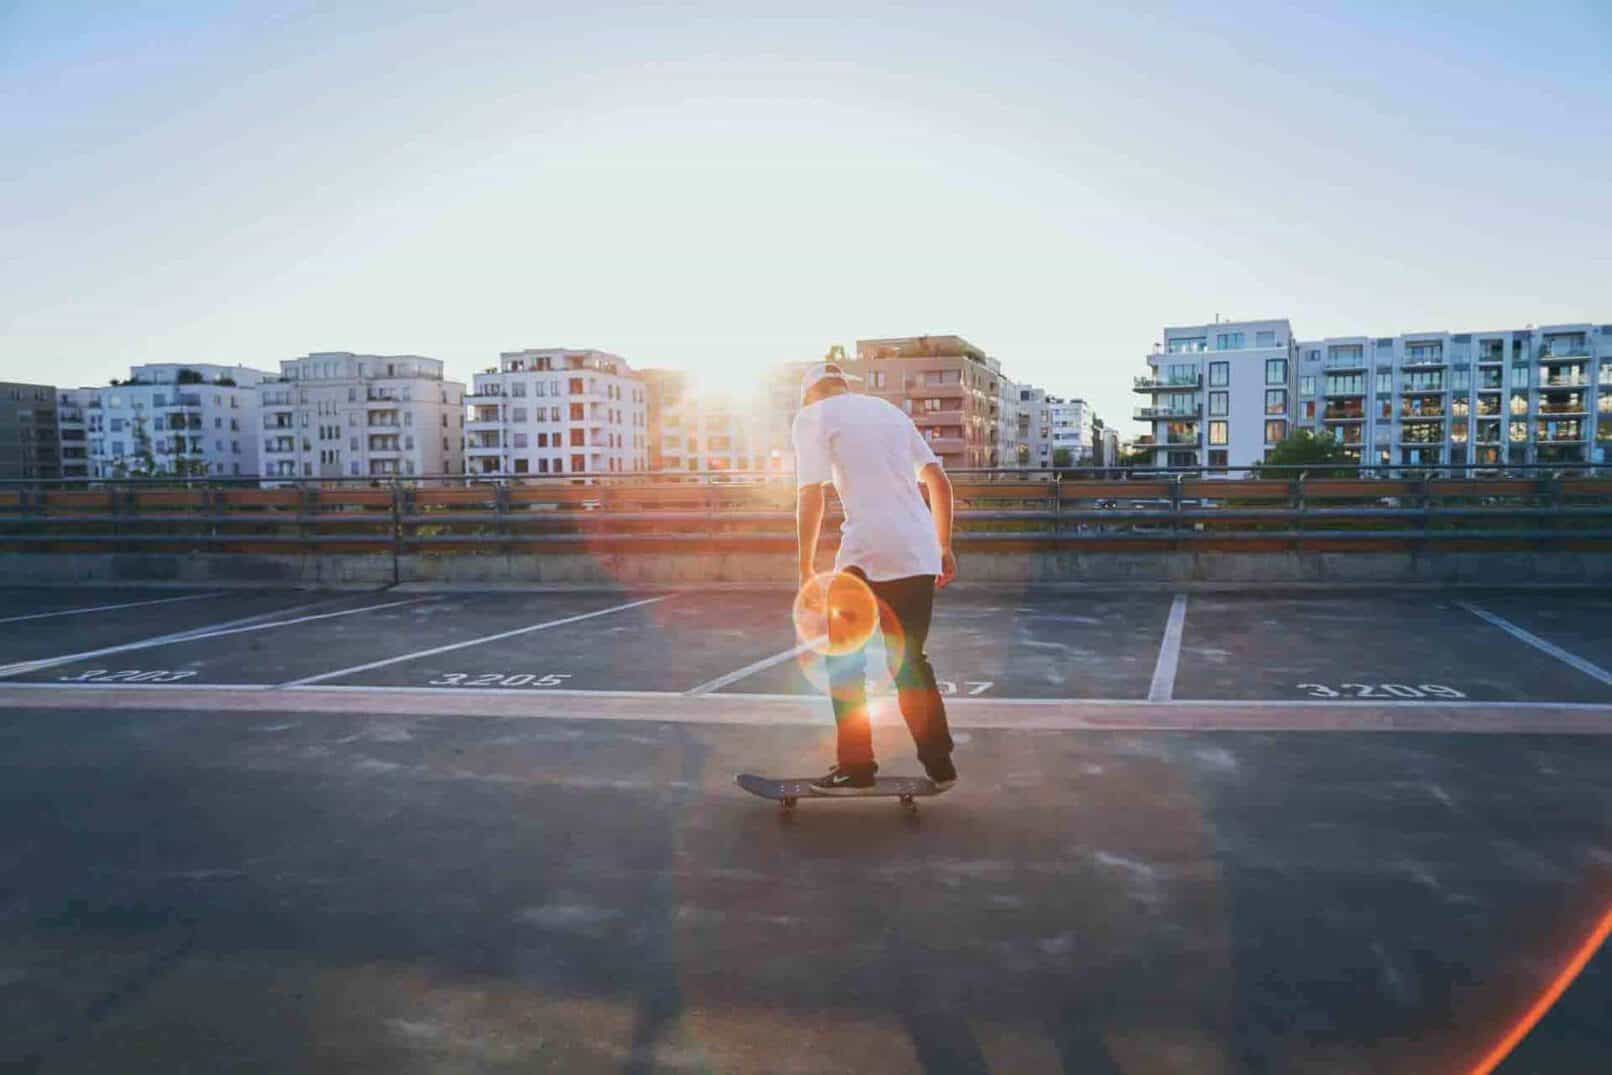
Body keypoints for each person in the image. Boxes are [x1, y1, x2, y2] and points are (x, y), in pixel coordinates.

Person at [791, 357, 959, 795]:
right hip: (919, 549)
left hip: (867, 549)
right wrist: (943, 546)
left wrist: (806, 566)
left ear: (810, 394)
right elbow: (939, 482)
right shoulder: (890, 413)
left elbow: (811, 495)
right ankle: (939, 763)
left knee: (845, 659)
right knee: (910, 661)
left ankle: (857, 767)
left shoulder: (811, 417)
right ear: (844, 386)